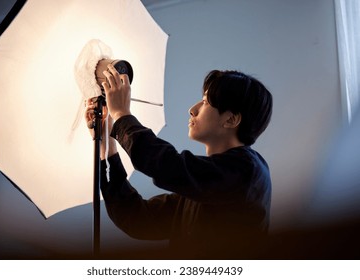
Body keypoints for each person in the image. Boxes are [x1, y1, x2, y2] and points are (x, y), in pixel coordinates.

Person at [85, 65, 273, 259]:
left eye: (205, 102)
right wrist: (106, 144)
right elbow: (136, 218)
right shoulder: (202, 188)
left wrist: (122, 114)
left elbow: (166, 165)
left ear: (231, 119)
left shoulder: (248, 171)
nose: (192, 110)